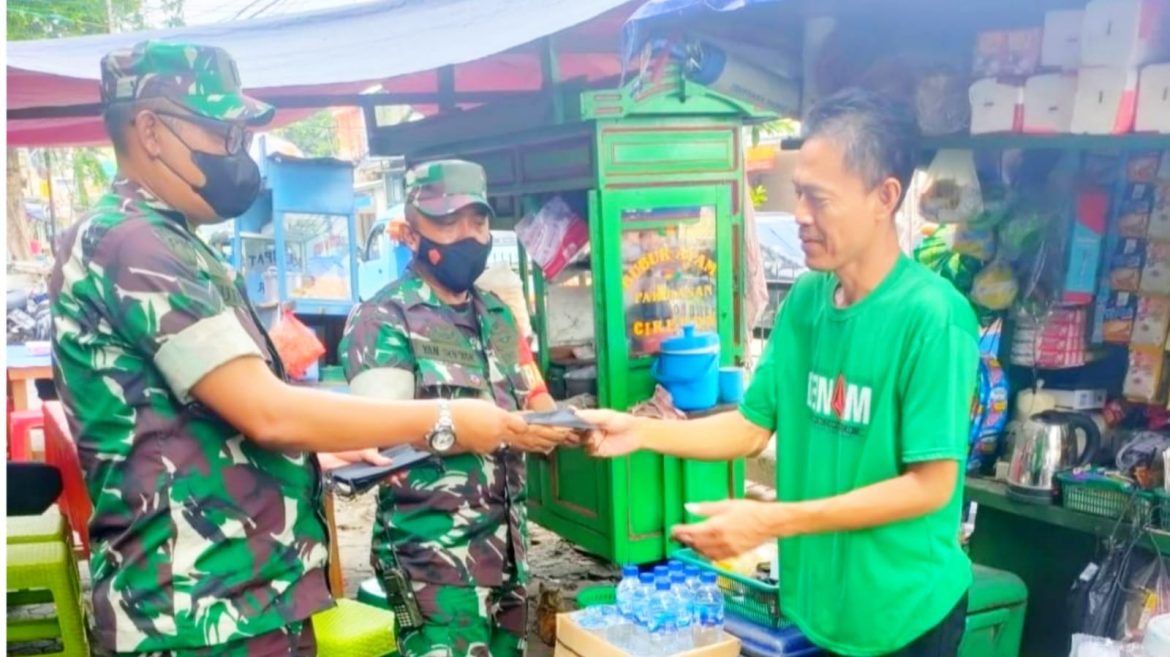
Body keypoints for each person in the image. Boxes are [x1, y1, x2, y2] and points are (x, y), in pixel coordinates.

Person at [49, 42, 530, 657]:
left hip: (241, 598)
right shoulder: (131, 242)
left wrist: (323, 449)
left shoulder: (176, 244)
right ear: (150, 130)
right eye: (226, 135)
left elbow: (210, 411)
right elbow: (267, 410)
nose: (240, 156)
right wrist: (446, 420)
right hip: (197, 613)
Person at [581, 88, 980, 657]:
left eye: (819, 199)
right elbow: (751, 425)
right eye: (798, 195)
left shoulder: (933, 319)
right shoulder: (808, 300)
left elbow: (930, 486)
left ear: (884, 197)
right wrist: (640, 431)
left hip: (905, 614)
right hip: (817, 606)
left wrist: (771, 522)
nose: (799, 217)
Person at [339, 160, 569, 657]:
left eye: (478, 221)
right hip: (431, 561)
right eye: (448, 222)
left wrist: (568, 426)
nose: (468, 234)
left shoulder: (497, 315)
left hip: (508, 553)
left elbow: (536, 397)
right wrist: (500, 431)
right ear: (411, 231)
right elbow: (379, 436)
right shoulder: (384, 318)